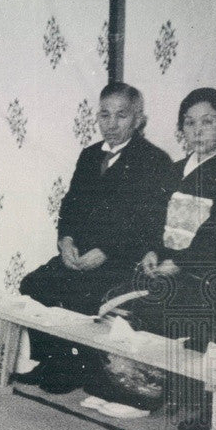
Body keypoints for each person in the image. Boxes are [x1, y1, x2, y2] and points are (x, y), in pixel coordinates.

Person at [88, 88, 216, 430]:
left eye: (207, 122)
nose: (197, 130)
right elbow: (154, 222)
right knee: (116, 299)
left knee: (156, 306)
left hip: (210, 271)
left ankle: (141, 397)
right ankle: (122, 386)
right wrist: (152, 250)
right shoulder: (175, 170)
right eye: (190, 123)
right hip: (170, 265)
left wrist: (181, 263)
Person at [17, 82, 176, 393]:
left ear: (138, 119)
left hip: (122, 260)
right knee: (33, 286)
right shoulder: (89, 155)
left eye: (121, 116)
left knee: (85, 296)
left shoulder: (154, 160)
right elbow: (71, 205)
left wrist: (106, 252)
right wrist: (66, 242)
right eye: (104, 115)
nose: (111, 124)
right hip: (80, 255)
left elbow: (150, 221)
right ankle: (55, 362)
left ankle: (85, 369)